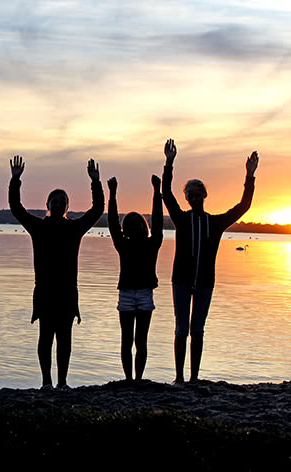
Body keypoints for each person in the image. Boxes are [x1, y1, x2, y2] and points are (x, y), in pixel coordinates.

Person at [162, 139, 259, 383]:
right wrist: (169, 163)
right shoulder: (181, 220)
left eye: (198, 194)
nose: (194, 197)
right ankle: (179, 378)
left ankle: (194, 378)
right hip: (181, 280)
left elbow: (244, 206)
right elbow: (166, 194)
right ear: (187, 198)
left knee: (198, 330)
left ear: (205, 195)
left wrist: (249, 175)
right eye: (190, 195)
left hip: (205, 282)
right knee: (181, 328)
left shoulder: (215, 223)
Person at [9, 155, 104, 389]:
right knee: (45, 337)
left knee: (64, 338)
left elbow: (97, 210)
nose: (58, 203)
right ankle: (46, 382)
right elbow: (16, 208)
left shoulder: (74, 228)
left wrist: (95, 182)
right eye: (55, 200)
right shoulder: (38, 227)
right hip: (44, 291)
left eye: (62, 201)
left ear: (67, 207)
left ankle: (62, 382)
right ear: (48, 205)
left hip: (67, 292)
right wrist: (15, 180)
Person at [107, 175, 163, 382]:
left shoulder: (153, 243)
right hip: (127, 294)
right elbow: (112, 223)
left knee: (141, 340)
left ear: (143, 226)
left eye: (138, 223)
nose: (135, 226)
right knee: (126, 339)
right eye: (130, 224)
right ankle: (129, 379)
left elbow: (157, 221)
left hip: (145, 294)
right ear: (126, 229)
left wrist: (157, 192)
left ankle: (138, 379)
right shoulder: (122, 244)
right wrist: (112, 195)